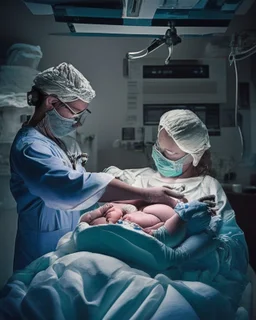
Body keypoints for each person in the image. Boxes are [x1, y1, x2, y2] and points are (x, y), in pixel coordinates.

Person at [9, 63, 184, 271]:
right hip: (40, 254)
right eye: (75, 113)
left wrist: (128, 202)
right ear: (51, 102)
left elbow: (86, 196)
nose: (78, 123)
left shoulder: (59, 142)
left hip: (68, 250)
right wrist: (146, 194)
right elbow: (71, 189)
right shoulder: (30, 148)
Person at [104, 109, 248, 274]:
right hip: (127, 260)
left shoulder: (207, 187)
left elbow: (231, 244)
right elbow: (98, 190)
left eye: (171, 153)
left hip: (177, 269)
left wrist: (190, 240)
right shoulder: (138, 176)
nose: (161, 155)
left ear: (194, 155)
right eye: (159, 147)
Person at [80, 197, 216, 248]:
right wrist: (102, 211)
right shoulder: (97, 219)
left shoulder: (128, 228)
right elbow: (84, 220)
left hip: (156, 221)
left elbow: (160, 237)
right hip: (145, 216)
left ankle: (187, 214)